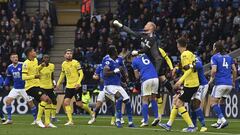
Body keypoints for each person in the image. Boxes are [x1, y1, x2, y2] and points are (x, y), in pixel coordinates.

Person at [159, 37, 199, 132]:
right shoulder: (189, 53)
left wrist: (180, 80)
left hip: (190, 84)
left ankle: (191, 126)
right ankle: (168, 125)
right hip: (192, 82)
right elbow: (186, 66)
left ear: (178, 46)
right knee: (176, 100)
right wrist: (176, 68)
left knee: (178, 103)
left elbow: (189, 69)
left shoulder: (184, 55)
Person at [22, 47, 56, 128]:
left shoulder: (36, 60)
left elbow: (36, 70)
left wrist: (41, 66)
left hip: (37, 85)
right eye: (34, 51)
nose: (35, 52)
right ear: (30, 53)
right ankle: (38, 119)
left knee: (48, 101)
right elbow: (23, 77)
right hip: (30, 87)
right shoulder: (26, 63)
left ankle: (47, 122)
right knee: (46, 99)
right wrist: (34, 76)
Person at [102, 45, 134, 128]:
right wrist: (116, 71)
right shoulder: (107, 60)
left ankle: (130, 122)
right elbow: (105, 73)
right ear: (113, 52)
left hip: (118, 85)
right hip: (109, 85)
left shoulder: (118, 60)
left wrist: (125, 80)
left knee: (127, 101)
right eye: (115, 50)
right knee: (119, 98)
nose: (117, 51)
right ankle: (118, 120)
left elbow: (121, 70)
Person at [56, 49, 90, 126]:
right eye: (67, 53)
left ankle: (92, 112)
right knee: (66, 103)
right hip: (68, 87)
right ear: (64, 55)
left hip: (76, 87)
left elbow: (81, 74)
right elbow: (62, 74)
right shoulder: (63, 64)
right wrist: (58, 84)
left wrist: (78, 83)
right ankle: (71, 121)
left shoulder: (76, 63)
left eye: (70, 53)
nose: (69, 55)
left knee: (79, 104)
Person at [180, 45, 209, 132]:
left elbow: (199, 65)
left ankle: (203, 125)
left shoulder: (196, 58)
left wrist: (190, 66)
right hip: (194, 85)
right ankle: (193, 126)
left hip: (202, 84)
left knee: (196, 104)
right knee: (192, 105)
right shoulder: (188, 59)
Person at [3, 53, 37, 125]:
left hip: (25, 88)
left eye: (16, 57)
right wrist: (6, 84)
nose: (15, 58)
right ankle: (9, 119)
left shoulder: (23, 64)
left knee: (31, 103)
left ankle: (36, 119)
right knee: (8, 101)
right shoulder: (9, 67)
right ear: (11, 59)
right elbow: (8, 77)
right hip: (15, 88)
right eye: (13, 57)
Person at [209, 41, 237, 129]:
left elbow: (213, 70)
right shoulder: (229, 57)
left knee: (212, 103)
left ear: (216, 48)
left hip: (220, 83)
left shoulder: (214, 57)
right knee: (221, 102)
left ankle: (223, 120)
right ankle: (219, 122)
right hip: (229, 84)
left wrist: (211, 79)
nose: (212, 49)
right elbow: (235, 70)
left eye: (213, 47)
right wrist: (233, 81)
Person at [131, 53, 159, 127]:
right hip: (155, 78)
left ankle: (145, 121)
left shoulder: (134, 61)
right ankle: (156, 117)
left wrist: (140, 73)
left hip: (146, 79)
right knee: (153, 98)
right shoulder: (145, 56)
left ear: (132, 56)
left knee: (144, 99)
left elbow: (137, 76)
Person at [39, 55, 58, 122]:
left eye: (48, 57)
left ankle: (53, 117)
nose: (47, 59)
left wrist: (54, 83)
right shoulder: (40, 67)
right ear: (43, 59)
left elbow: (52, 76)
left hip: (49, 87)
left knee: (54, 101)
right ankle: (39, 117)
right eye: (45, 58)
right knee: (44, 102)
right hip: (42, 87)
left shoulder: (52, 65)